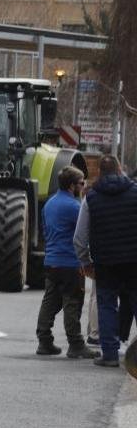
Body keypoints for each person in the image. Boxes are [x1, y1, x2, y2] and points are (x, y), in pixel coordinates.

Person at [74, 155, 137, 367]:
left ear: (99, 173)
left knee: (107, 305)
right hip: (134, 261)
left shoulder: (90, 198)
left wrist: (85, 262)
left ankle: (109, 354)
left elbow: (79, 237)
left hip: (105, 262)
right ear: (120, 170)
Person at [35, 166, 94, 358]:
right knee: (72, 303)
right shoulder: (75, 207)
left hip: (52, 261)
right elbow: (84, 233)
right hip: (70, 262)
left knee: (50, 301)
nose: (83, 186)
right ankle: (76, 344)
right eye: (81, 183)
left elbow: (45, 232)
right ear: (72, 186)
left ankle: (44, 341)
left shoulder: (49, 204)